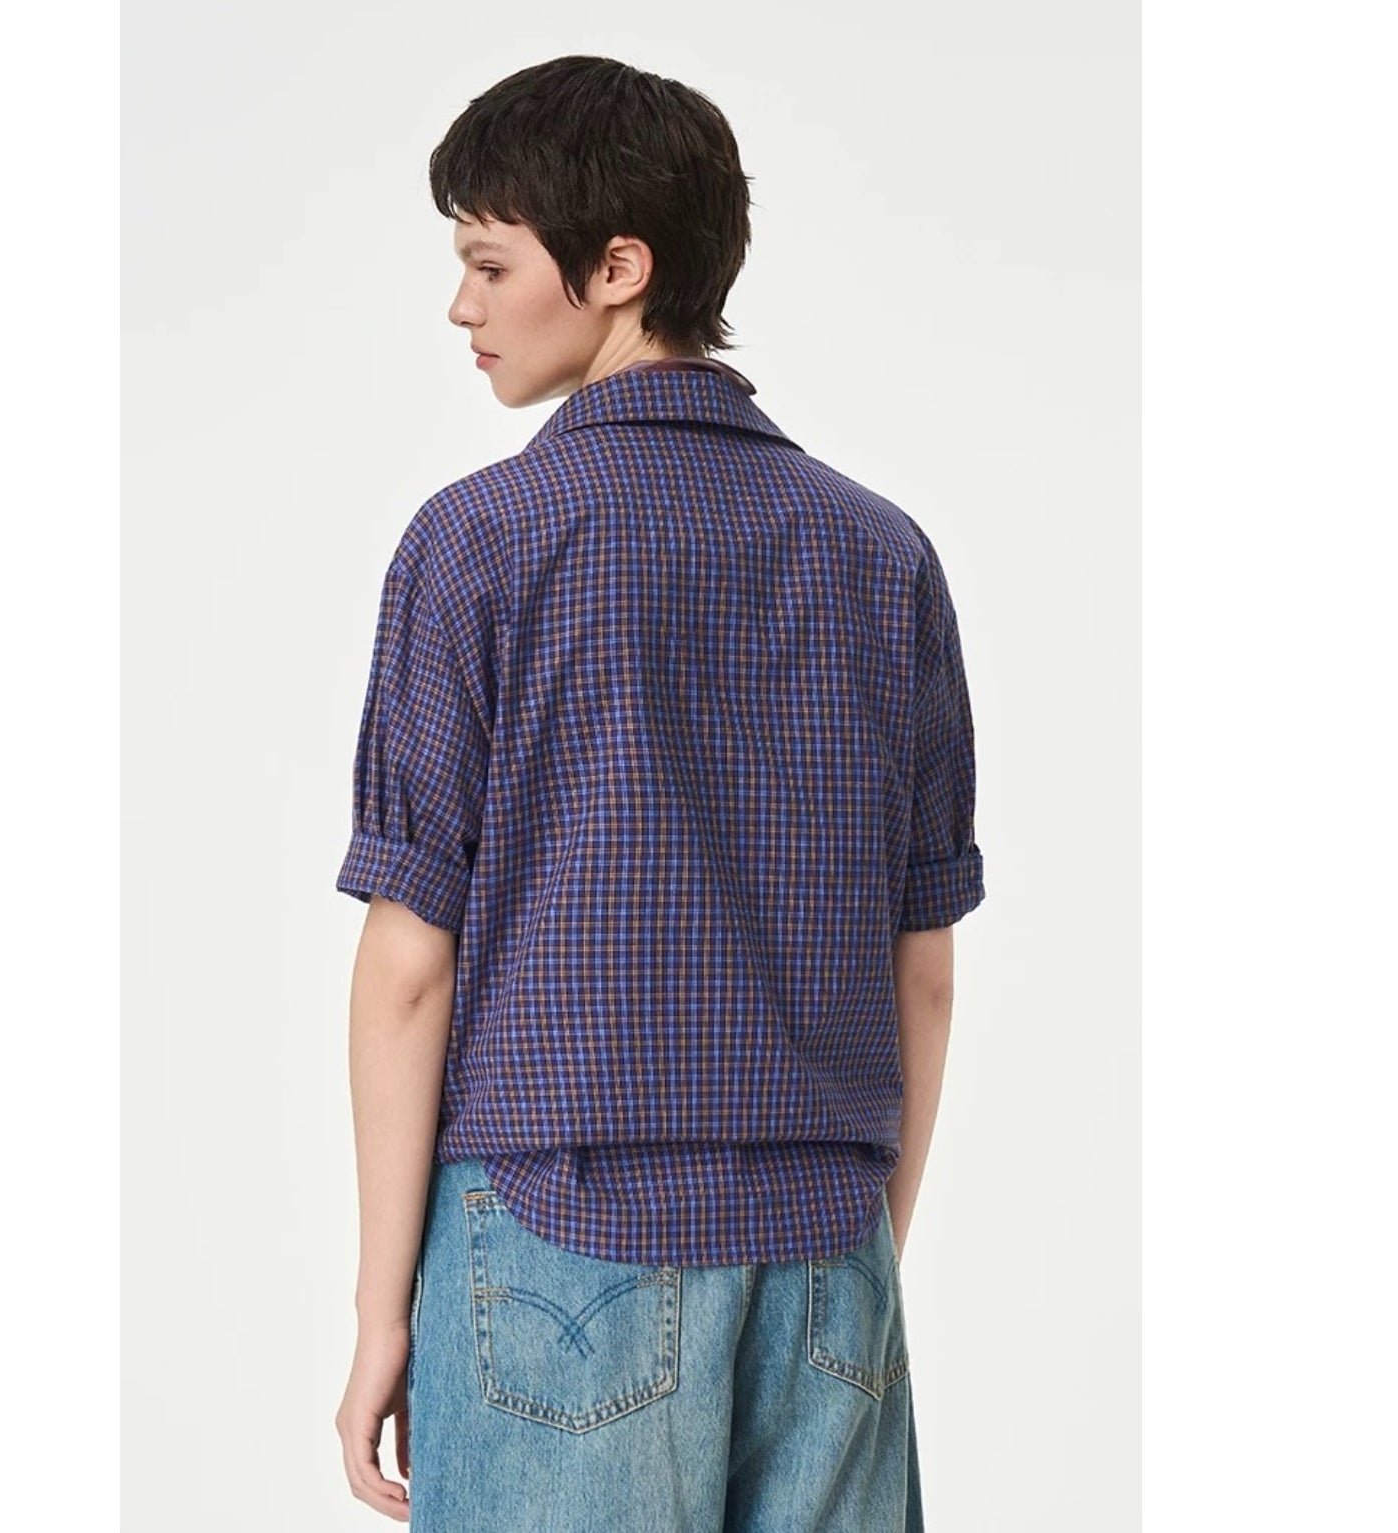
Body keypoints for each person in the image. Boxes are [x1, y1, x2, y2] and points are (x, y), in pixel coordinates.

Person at [331, 55, 986, 1531]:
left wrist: (383, 1314)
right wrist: (858, 1258)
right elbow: (925, 971)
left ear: (617, 268)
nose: (462, 307)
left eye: (489, 264)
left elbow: (410, 966)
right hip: (827, 1250)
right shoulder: (884, 554)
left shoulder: (481, 540)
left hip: (555, 1238)